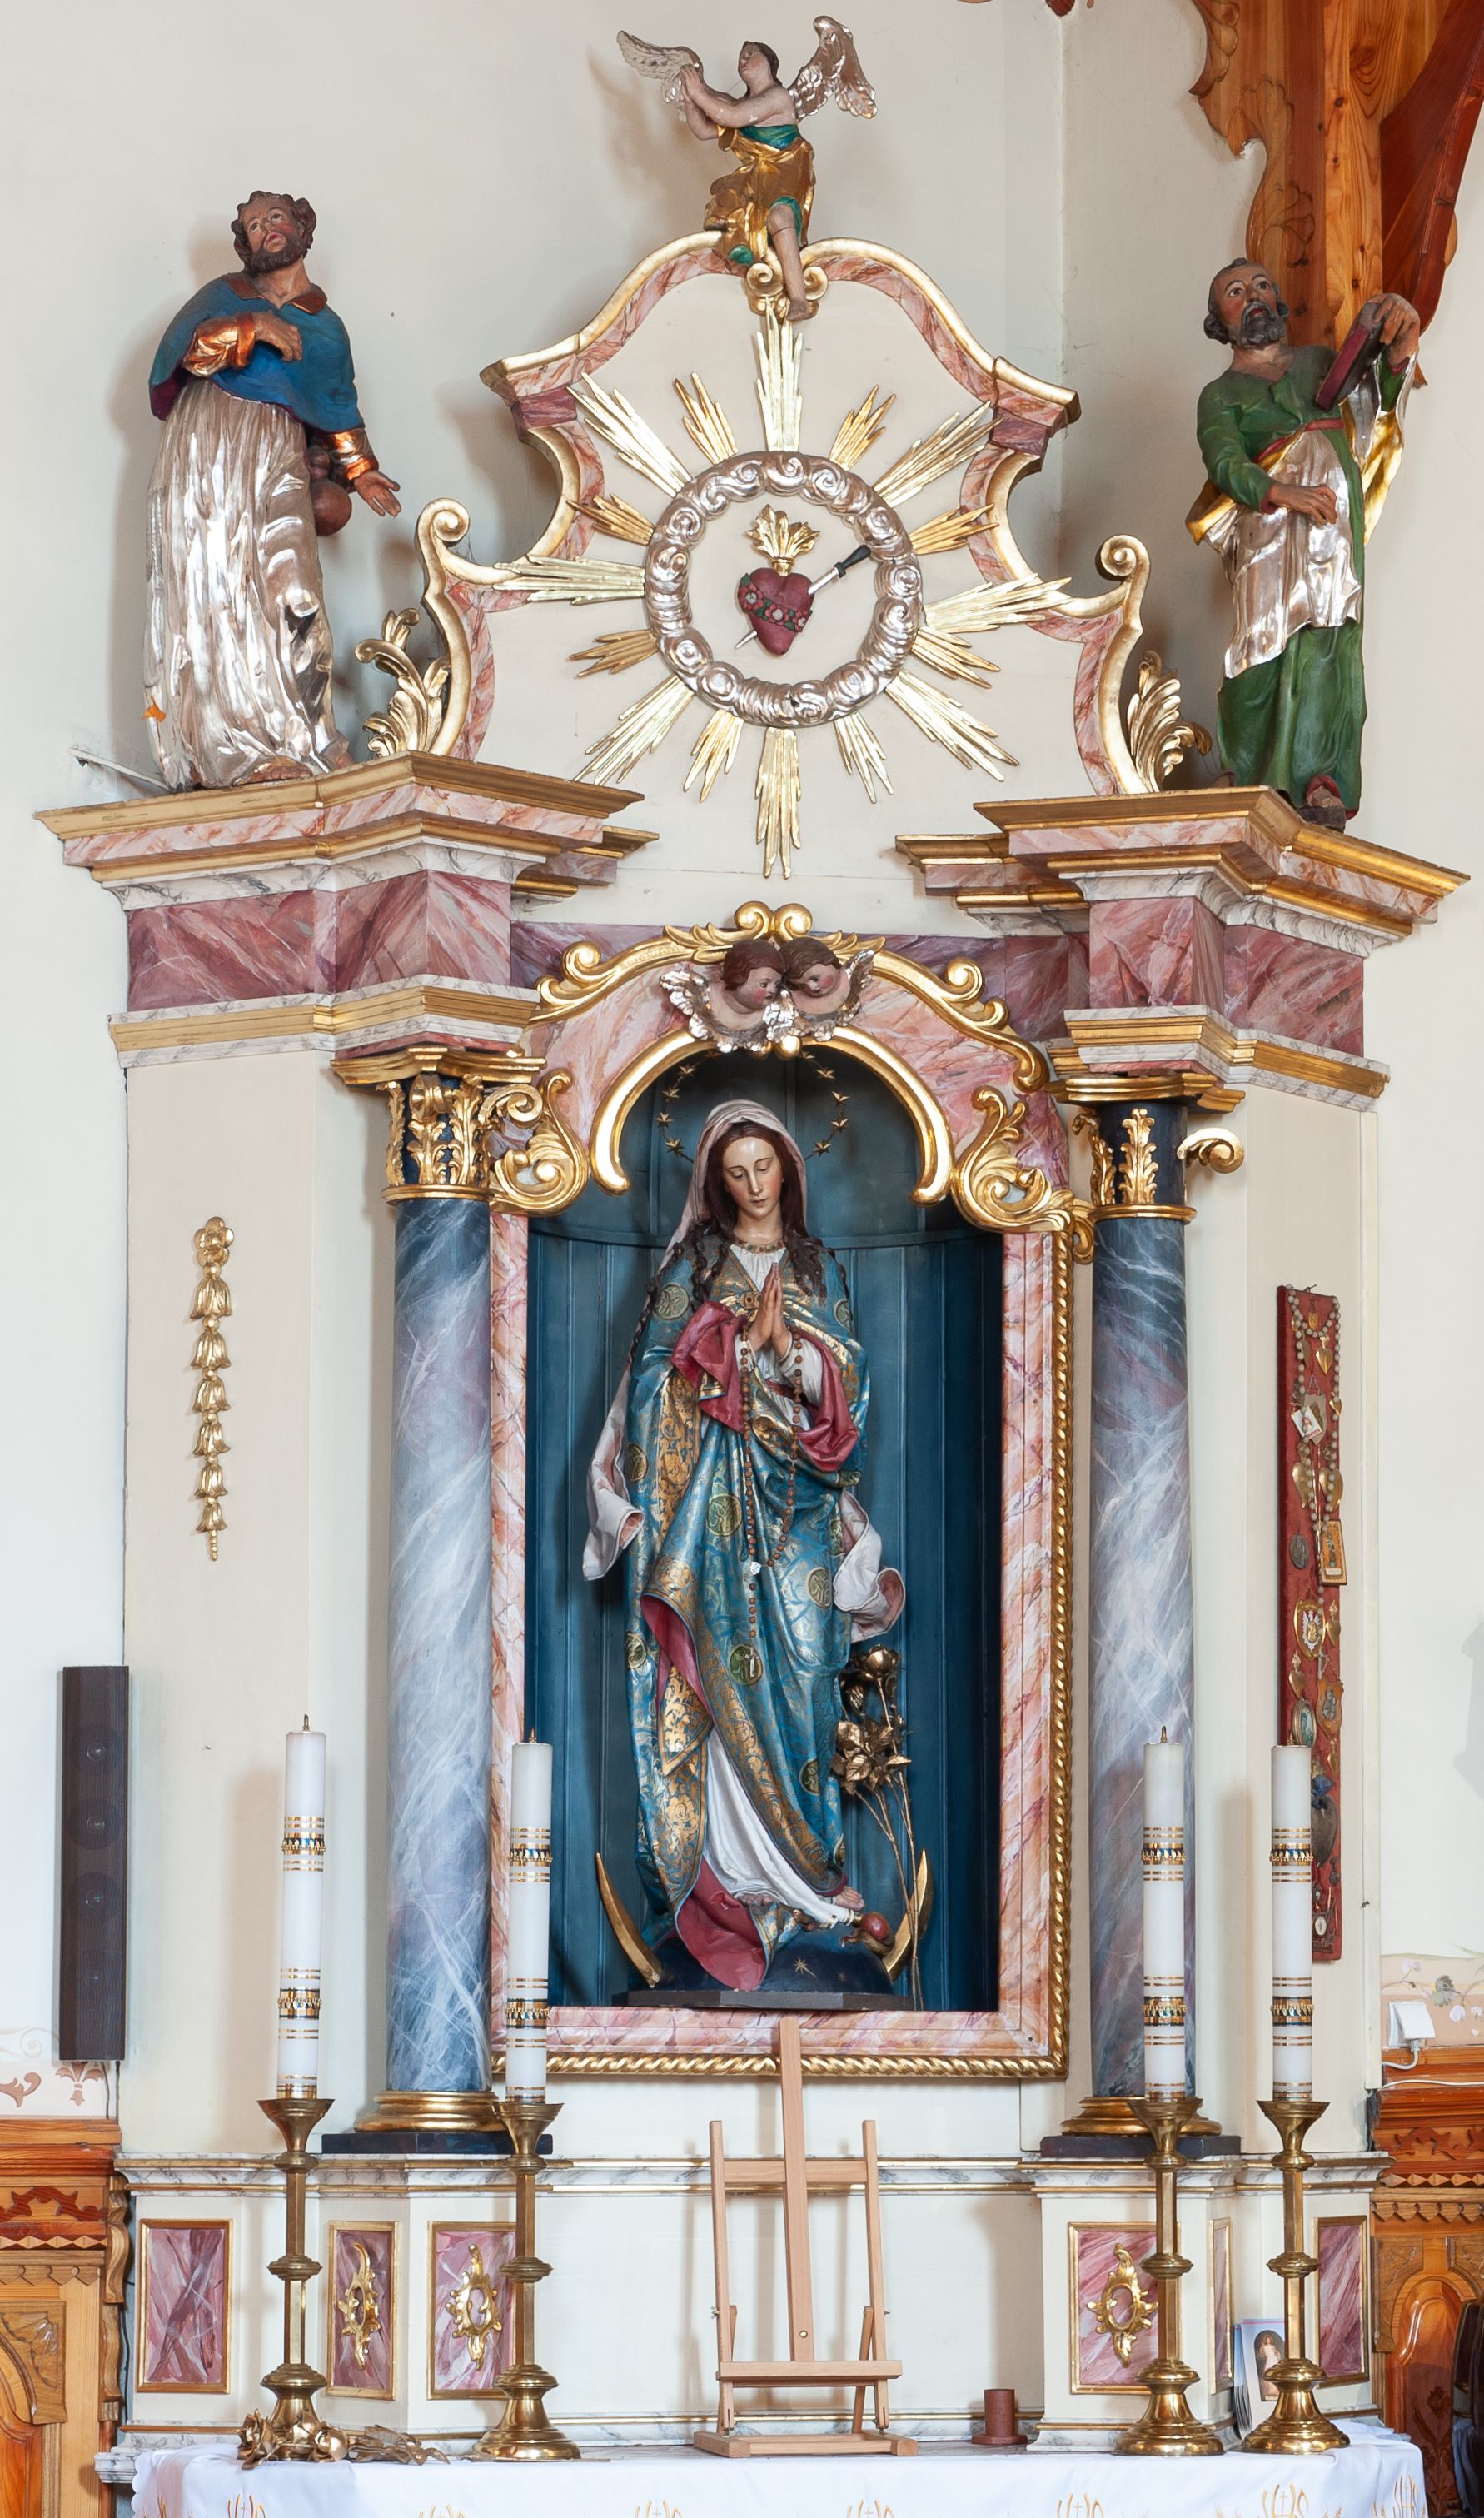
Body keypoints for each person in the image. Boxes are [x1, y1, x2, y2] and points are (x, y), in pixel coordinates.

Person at [584, 1100, 903, 1991]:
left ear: (788, 1171)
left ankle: (806, 1881)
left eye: (766, 1167)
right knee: (716, 1686)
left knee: (801, 1680)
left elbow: (852, 1392)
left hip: (798, 1514)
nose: (755, 1184)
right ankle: (728, 1885)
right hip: (710, 1521)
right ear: (717, 1182)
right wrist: (730, 1346)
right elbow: (653, 1383)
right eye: (738, 1171)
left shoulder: (817, 1269)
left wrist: (790, 1352)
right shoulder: (693, 1269)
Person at [144, 192, 401, 790]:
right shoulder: (223, 295)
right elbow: (180, 356)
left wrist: (360, 469)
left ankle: (311, 741)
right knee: (219, 583)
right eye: (255, 225)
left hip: (282, 450)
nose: (267, 230)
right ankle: (231, 749)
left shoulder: (325, 325)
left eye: (276, 218)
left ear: (302, 226)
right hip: (210, 444)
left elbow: (336, 403)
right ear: (245, 244)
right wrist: (251, 326)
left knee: (295, 590)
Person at [1190, 259, 1418, 825]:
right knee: (1257, 643)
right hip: (1265, 530)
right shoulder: (1220, 394)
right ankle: (1243, 770)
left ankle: (1322, 778)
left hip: (1333, 526)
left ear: (1280, 301)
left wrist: (1402, 340)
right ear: (1218, 320)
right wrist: (1279, 492)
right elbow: (1224, 460)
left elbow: (1376, 400)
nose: (1254, 296)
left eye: (1263, 285)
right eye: (1236, 292)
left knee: (1329, 639)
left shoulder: (1318, 361)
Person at [681, 42, 818, 319]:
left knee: (779, 216)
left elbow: (730, 116)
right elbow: (704, 130)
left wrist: (699, 92)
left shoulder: (777, 96)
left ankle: (799, 299)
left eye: (750, 54)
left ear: (768, 62)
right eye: (741, 57)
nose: (743, 60)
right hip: (759, 175)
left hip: (786, 168)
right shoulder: (739, 105)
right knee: (734, 213)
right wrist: (689, 99)